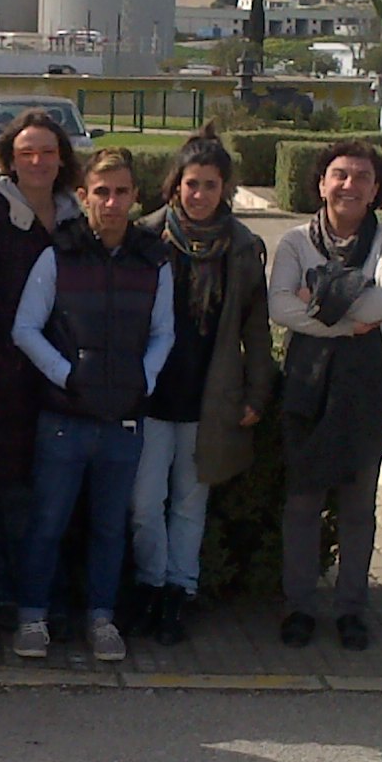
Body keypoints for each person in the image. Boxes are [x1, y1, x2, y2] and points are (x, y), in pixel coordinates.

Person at [10, 148, 175, 664]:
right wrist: (67, 377)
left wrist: (141, 380)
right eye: (101, 192)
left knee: (109, 526)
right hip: (64, 419)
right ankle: (32, 616)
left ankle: (102, 618)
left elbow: (163, 332)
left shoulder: (154, 259)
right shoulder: (58, 254)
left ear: (135, 197)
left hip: (123, 422)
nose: (111, 201)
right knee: (48, 522)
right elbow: (25, 328)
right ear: (82, 197)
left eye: (122, 191)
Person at [128, 130, 277, 646]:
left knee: (190, 506)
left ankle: (178, 592)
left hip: (208, 397)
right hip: (151, 394)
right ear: (175, 186)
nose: (199, 195)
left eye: (210, 186)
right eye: (192, 184)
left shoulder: (241, 247)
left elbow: (256, 328)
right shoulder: (145, 237)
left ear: (224, 189)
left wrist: (259, 392)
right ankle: (148, 583)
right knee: (145, 504)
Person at [269, 140, 382, 649]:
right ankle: (299, 606)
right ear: (322, 183)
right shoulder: (294, 241)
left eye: (362, 177)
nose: (350, 184)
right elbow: (280, 305)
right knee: (303, 503)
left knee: (358, 507)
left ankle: (351, 608)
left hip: (367, 389)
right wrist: (346, 321)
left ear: (375, 190)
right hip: (307, 387)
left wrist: (320, 295)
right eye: (340, 175)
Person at [0, 109, 82, 634]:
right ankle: (8, 595)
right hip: (3, 382)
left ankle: (49, 594)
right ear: (9, 159)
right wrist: (2, 366)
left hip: (62, 379)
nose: (37, 160)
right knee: (13, 496)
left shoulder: (75, 214)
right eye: (26, 152)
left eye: (47, 151)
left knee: (56, 494)